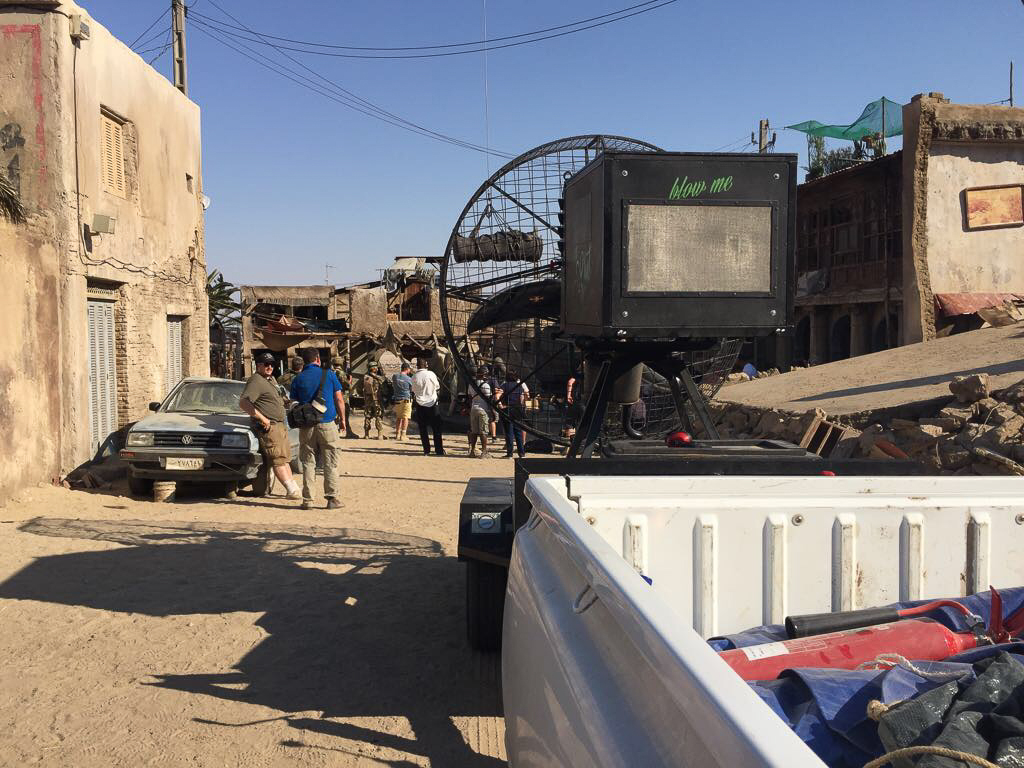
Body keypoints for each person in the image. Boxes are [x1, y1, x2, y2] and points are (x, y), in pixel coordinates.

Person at [290, 348, 347, 510]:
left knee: (308, 462)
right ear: (317, 359)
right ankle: (332, 499)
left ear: (304, 361)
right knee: (330, 462)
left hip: (306, 426)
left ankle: (308, 500)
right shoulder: (329, 374)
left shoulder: (298, 378)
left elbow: (293, 403)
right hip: (327, 423)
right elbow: (339, 399)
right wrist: (343, 420)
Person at [240, 352, 301, 500]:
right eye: (266, 364)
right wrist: (263, 419)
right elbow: (244, 403)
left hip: (280, 425)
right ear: (258, 365)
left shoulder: (270, 379)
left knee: (284, 458)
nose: (270, 367)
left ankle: (294, 488)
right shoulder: (256, 381)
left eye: (272, 364)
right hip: (270, 427)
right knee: (277, 459)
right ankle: (291, 489)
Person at [411, 358, 445, 456]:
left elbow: (413, 390)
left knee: (423, 429)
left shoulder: (414, 376)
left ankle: (426, 450)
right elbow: (437, 387)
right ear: (426, 365)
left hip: (420, 404)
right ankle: (439, 450)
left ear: (417, 366)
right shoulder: (431, 374)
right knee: (436, 428)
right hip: (432, 403)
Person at [501, 369, 530, 458]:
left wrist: (500, 404)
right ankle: (521, 453)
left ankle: (510, 453)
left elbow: (499, 395)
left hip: (507, 408)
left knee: (509, 432)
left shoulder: (505, 385)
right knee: (518, 432)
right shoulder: (520, 386)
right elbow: (522, 398)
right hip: (517, 409)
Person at [468, 366, 492, 458]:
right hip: (483, 409)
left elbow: (470, 397)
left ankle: (472, 451)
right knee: (483, 432)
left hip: (473, 408)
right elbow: (488, 399)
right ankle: (484, 452)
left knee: (474, 431)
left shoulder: (471, 384)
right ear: (484, 375)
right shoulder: (486, 385)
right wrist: (491, 412)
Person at [360, 362, 388, 440]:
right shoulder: (380, 378)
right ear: (375, 368)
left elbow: (359, 389)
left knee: (367, 416)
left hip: (368, 400)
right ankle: (380, 435)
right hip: (377, 400)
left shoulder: (365, 378)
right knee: (378, 416)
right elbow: (385, 390)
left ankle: (366, 435)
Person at [391, 361, 414, 440]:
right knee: (405, 417)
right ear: (407, 369)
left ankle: (397, 434)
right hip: (406, 399)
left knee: (399, 417)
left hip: (397, 399)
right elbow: (411, 389)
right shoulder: (409, 379)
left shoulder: (395, 376)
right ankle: (403, 435)